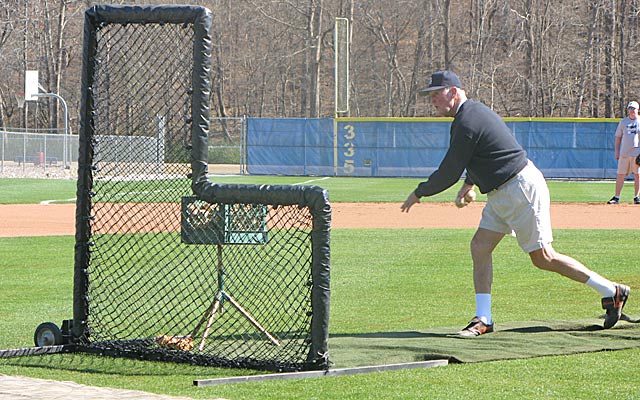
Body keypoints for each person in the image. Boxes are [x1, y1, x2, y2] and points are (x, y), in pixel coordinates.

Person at [401, 70, 630, 337]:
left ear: (453, 92)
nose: (433, 101)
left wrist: (421, 192)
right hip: (502, 193)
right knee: (480, 246)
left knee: (544, 257)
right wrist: (469, 184)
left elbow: (451, 169)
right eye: (430, 96)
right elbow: (486, 153)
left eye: (436, 94)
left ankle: (610, 291)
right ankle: (483, 318)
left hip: (520, 189)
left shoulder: (468, 119)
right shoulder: (469, 116)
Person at [607, 101, 640, 204]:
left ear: (637, 109)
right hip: (624, 153)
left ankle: (636, 197)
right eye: (630, 108)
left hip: (636, 153)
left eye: (633, 108)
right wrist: (616, 151)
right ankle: (616, 197)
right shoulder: (623, 122)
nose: (631, 111)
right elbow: (618, 138)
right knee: (620, 174)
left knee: (637, 175)